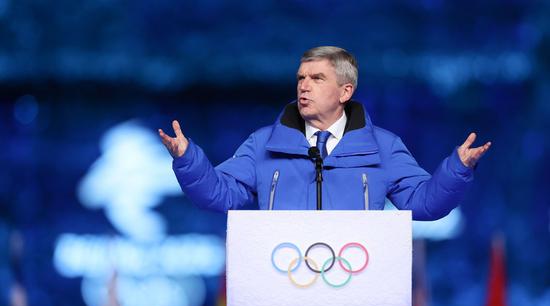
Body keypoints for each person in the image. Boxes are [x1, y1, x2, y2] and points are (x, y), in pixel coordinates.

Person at [158, 46, 491, 220]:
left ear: (345, 92)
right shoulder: (263, 143)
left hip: (354, 289)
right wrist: (188, 160)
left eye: (317, 79)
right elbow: (219, 194)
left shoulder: (383, 146)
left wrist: (457, 169)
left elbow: (422, 204)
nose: (304, 86)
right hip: (281, 289)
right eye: (301, 78)